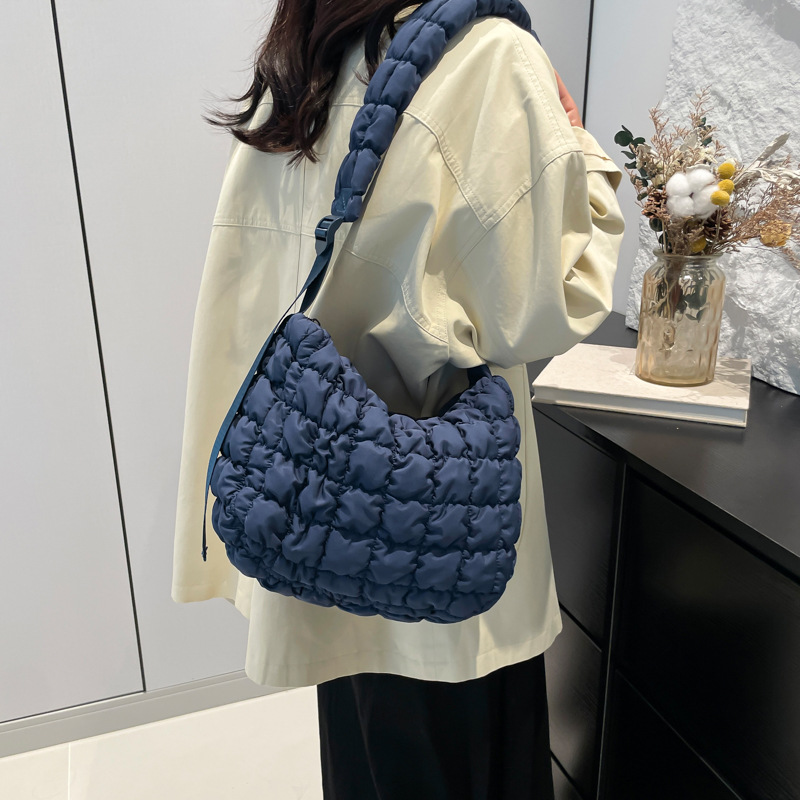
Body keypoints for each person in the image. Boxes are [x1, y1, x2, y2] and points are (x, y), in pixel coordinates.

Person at [172, 1, 625, 797]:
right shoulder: (488, 56)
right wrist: (582, 152)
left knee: (368, 760)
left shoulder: (309, 55)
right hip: (433, 522)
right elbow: (543, 307)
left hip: (319, 513)